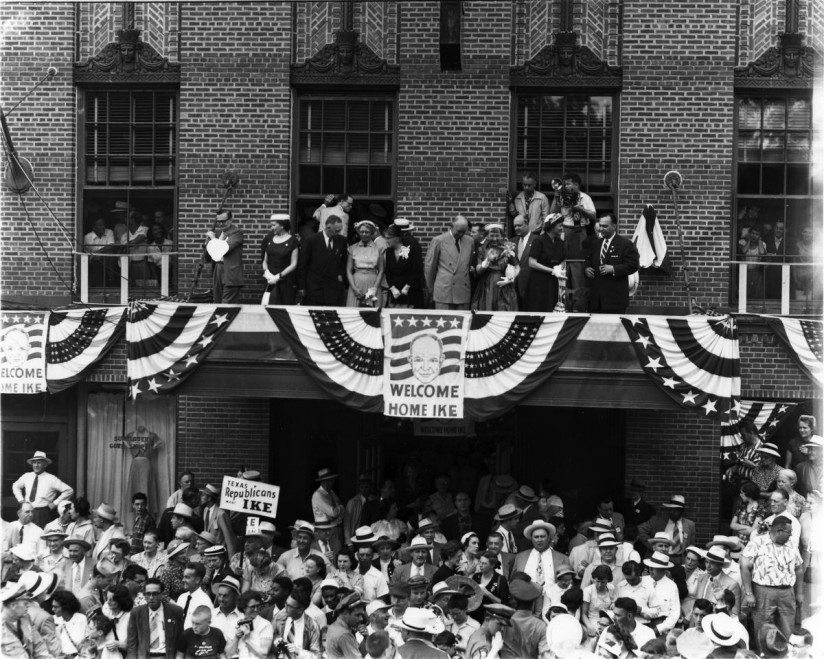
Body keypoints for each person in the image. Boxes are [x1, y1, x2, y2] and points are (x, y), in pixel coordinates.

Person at [741, 515, 803, 645]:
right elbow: (744, 566)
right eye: (789, 533)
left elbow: (798, 568)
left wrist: (799, 592)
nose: (790, 536)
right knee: (763, 629)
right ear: (779, 530)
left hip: (787, 592)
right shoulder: (757, 543)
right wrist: (749, 593)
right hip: (763, 592)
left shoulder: (792, 545)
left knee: (788, 629)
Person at [585, 212, 640, 314]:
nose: (601, 229)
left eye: (605, 226)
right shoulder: (595, 244)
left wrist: (614, 269)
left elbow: (633, 265)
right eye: (600, 226)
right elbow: (589, 260)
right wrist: (587, 268)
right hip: (596, 300)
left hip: (615, 300)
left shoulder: (625, 244)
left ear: (614, 226)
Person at [510, 520, 568, 613]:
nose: (539, 540)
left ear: (549, 537)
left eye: (542, 536)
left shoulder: (562, 558)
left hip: (553, 604)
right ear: (531, 538)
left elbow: (567, 584)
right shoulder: (521, 557)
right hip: (526, 604)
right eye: (536, 537)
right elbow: (514, 581)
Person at [424, 215, 475, 310]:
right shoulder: (438, 241)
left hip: (463, 290)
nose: (461, 235)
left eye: (464, 232)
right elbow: (430, 266)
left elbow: (469, 262)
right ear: (451, 226)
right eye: (459, 231)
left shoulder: (470, 241)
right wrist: (430, 289)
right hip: (444, 291)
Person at [12, 450, 74, 529]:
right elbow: (15, 486)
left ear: (45, 464)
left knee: (40, 535)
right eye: (34, 462)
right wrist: (21, 500)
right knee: (25, 532)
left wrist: (54, 503)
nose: (36, 465)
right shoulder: (27, 476)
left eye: (39, 463)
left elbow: (69, 490)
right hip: (27, 510)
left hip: (42, 513)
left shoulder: (51, 479)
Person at [126, 577, 184, 659]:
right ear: (144, 595)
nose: (151, 597)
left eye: (155, 593)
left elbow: (180, 639)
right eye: (148, 594)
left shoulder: (175, 611)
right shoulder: (136, 613)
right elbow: (132, 643)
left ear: (161, 594)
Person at [297, 214, 348, 306]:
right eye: (337, 230)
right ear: (328, 227)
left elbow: (344, 260)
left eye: (340, 230)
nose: (339, 232)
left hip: (334, 288)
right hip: (314, 287)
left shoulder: (342, 241)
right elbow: (302, 264)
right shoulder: (311, 240)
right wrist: (301, 287)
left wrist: (341, 274)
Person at [471, 223, 519, 312]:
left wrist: (511, 278)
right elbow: (478, 270)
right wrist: (485, 263)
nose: (494, 239)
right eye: (491, 236)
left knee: (503, 310)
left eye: (497, 236)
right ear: (486, 236)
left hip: (504, 285)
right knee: (486, 308)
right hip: (486, 285)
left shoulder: (508, 249)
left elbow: (517, 267)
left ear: (502, 236)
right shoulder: (482, 249)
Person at [637, 494, 695, 565]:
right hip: (660, 558)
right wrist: (653, 546)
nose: (672, 512)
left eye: (676, 510)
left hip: (680, 560)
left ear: (682, 511)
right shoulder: (657, 520)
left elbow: (691, 545)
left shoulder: (690, 525)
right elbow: (639, 529)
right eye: (671, 509)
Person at [526, 214, 567, 312]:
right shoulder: (539, 241)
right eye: (560, 226)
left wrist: (559, 267)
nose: (562, 228)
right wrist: (552, 270)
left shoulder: (561, 242)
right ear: (552, 226)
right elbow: (531, 263)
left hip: (554, 280)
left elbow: (563, 259)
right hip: (539, 280)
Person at [1, 581, 52, 659]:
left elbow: (39, 646)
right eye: (25, 603)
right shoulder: (2, 630)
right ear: (13, 605)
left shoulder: (25, 618)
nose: (28, 605)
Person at [500, 578, 549, 658]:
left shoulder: (502, 622)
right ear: (533, 602)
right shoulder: (541, 626)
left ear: (514, 601)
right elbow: (545, 655)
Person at [693, 545, 742, 619]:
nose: (708, 566)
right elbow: (695, 606)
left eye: (712, 563)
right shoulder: (701, 578)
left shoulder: (732, 584)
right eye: (706, 562)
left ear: (720, 564)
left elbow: (734, 614)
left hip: (717, 625)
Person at [206, 210, 244, 303]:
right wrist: (208, 243)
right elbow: (210, 255)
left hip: (230, 272)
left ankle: (226, 317)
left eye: (223, 221)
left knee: (227, 304)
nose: (221, 224)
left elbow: (224, 249)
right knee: (217, 302)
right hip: (217, 269)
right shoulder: (219, 234)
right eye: (218, 221)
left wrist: (213, 238)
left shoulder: (237, 233)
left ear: (230, 220)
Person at [639, 551, 680, 637]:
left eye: (654, 568)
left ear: (663, 570)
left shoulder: (671, 586)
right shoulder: (643, 581)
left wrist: (659, 629)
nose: (650, 570)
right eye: (649, 567)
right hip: (641, 623)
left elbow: (675, 613)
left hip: (661, 625)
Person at [261, 213, 299, 305]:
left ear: (282, 225)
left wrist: (278, 276)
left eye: (274, 225)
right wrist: (267, 273)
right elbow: (265, 260)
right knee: (268, 304)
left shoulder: (293, 241)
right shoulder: (269, 238)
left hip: (285, 281)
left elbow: (294, 264)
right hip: (269, 280)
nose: (271, 228)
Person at [346, 220, 385, 308]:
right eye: (362, 232)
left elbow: (381, 270)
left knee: (372, 310)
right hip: (357, 282)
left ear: (371, 233)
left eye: (367, 232)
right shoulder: (352, 248)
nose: (364, 234)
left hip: (373, 281)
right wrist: (354, 288)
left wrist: (374, 288)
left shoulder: (378, 248)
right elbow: (348, 270)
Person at [272, 590, 322, 658]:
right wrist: (276, 640)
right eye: (286, 603)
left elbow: (317, 656)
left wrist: (299, 651)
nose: (285, 607)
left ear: (300, 610)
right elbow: (271, 636)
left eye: (289, 606)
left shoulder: (312, 626)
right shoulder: (279, 617)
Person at [224, 590, 273, 659]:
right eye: (252, 607)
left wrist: (247, 640)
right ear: (244, 607)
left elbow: (263, 654)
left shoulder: (265, 625)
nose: (256, 609)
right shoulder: (234, 623)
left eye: (258, 606)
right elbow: (228, 654)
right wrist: (236, 638)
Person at [385, 223, 425, 308]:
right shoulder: (389, 251)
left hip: (411, 293)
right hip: (395, 294)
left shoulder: (410, 249)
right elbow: (387, 271)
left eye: (388, 238)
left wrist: (407, 286)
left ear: (396, 238)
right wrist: (392, 288)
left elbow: (417, 271)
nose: (386, 240)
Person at [199, 484, 238, 560]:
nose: (201, 497)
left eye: (203, 495)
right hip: (208, 553)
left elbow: (228, 538)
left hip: (219, 554)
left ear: (209, 498)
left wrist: (232, 559)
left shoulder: (221, 514)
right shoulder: (205, 510)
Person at [326, 591, 368, 658]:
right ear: (345, 613)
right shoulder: (344, 634)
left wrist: (365, 639)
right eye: (358, 615)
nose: (361, 619)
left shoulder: (334, 626)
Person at [511, 215, 538, 311]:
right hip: (514, 285)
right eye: (515, 226)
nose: (516, 228)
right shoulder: (511, 241)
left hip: (531, 284)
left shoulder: (537, 240)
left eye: (519, 225)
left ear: (527, 224)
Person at [52, 589, 88, 658]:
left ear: (65, 607)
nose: (52, 609)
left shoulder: (81, 619)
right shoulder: (53, 620)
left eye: (55, 607)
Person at [177, 562, 214, 629]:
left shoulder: (205, 602)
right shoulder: (181, 598)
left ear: (197, 580)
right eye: (183, 577)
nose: (183, 580)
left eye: (187, 577)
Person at [353, 536, 390, 603]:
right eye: (362, 555)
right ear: (358, 555)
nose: (364, 558)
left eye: (367, 555)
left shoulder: (379, 576)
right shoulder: (352, 574)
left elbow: (382, 601)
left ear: (372, 556)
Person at [345, 477, 381, 542]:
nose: (364, 490)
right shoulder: (353, 502)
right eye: (362, 487)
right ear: (359, 488)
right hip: (356, 534)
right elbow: (347, 524)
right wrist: (348, 541)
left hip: (370, 534)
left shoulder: (375, 500)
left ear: (370, 488)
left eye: (366, 487)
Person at [102, 584, 134, 655]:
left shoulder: (130, 617)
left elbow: (134, 646)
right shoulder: (105, 610)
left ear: (120, 600)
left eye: (111, 600)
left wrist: (119, 644)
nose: (107, 602)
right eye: (107, 599)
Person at [729, 481, 764, 546]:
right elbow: (732, 525)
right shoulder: (741, 506)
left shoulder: (760, 509)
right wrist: (746, 527)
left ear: (749, 494)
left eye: (742, 493)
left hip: (750, 545)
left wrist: (738, 528)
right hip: (737, 543)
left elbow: (752, 531)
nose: (740, 495)